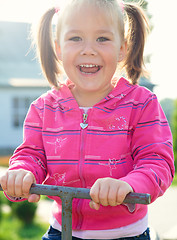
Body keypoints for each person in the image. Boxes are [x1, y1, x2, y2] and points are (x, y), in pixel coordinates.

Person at [0, 0, 174, 239]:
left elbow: (157, 162)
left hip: (126, 234)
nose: (88, 49)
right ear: (58, 49)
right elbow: (32, 156)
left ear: (122, 48)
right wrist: (21, 173)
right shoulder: (43, 108)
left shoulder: (142, 104)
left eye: (102, 38)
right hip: (62, 231)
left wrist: (129, 184)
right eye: (75, 38)